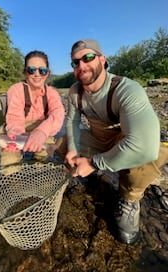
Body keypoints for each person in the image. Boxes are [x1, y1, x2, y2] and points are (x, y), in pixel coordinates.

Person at [65, 38, 168, 244]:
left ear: (103, 60)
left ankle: (130, 198)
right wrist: (72, 150)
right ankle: (95, 172)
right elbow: (71, 122)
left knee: (151, 153)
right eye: (76, 62)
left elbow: (143, 146)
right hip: (98, 138)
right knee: (60, 146)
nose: (81, 66)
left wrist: (94, 162)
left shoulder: (127, 90)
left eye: (88, 58)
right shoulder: (74, 92)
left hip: (127, 141)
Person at [0, 50, 65, 168]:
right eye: (31, 70)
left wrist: (41, 132)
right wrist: (15, 137)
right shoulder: (16, 90)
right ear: (25, 73)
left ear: (47, 74)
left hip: (41, 128)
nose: (37, 74)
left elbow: (58, 114)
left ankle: (38, 166)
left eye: (42, 70)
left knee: (43, 157)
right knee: (8, 161)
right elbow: (15, 119)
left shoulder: (52, 93)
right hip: (15, 129)